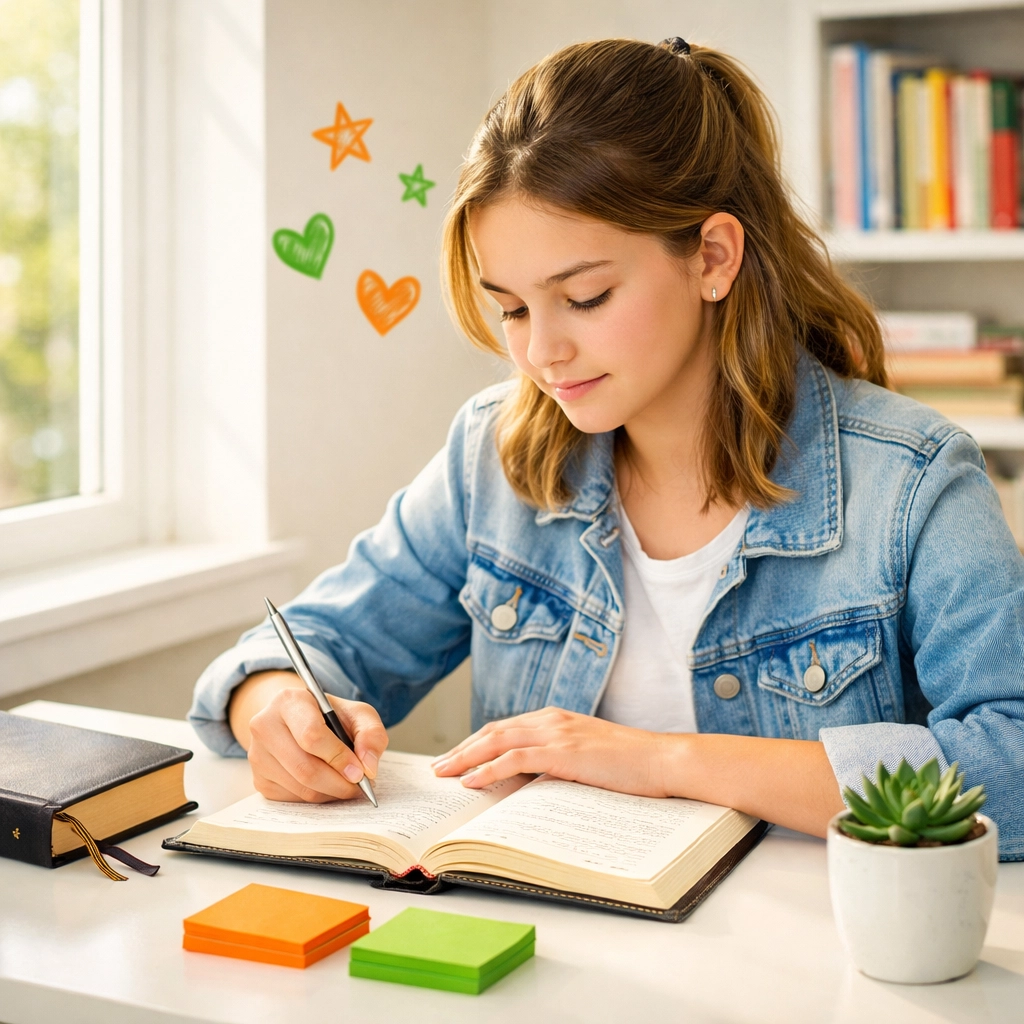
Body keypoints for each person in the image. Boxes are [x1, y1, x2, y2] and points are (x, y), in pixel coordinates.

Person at [190, 37, 1024, 858]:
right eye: (513, 309)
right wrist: (274, 706)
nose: (539, 352)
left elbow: (1012, 759)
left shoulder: (914, 480)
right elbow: (312, 643)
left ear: (713, 257)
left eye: (584, 297)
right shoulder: (495, 454)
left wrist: (660, 762)